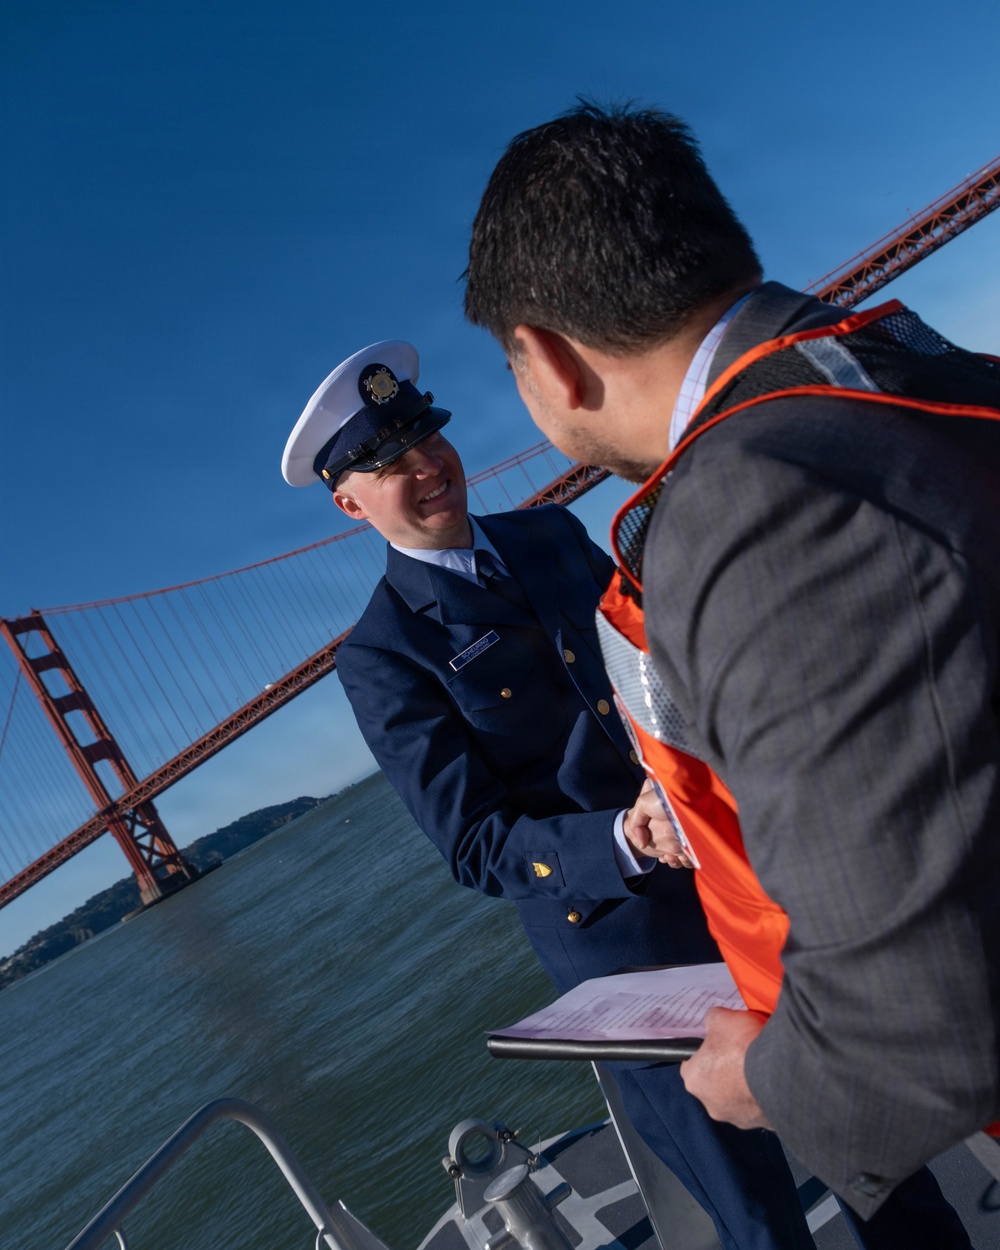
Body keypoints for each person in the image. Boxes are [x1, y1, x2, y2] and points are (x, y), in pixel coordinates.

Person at [463, 100, 1000, 1233]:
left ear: (549, 361)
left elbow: (923, 1032)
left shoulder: (750, 507)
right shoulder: (925, 375)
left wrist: (762, 1077)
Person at [281, 339, 823, 1250]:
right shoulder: (380, 656)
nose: (425, 467)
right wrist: (628, 835)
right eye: (388, 463)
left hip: (740, 873)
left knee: (873, 1145)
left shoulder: (554, 535)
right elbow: (478, 846)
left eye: (426, 438)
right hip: (629, 952)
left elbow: (656, 665)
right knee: (758, 1212)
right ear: (350, 502)